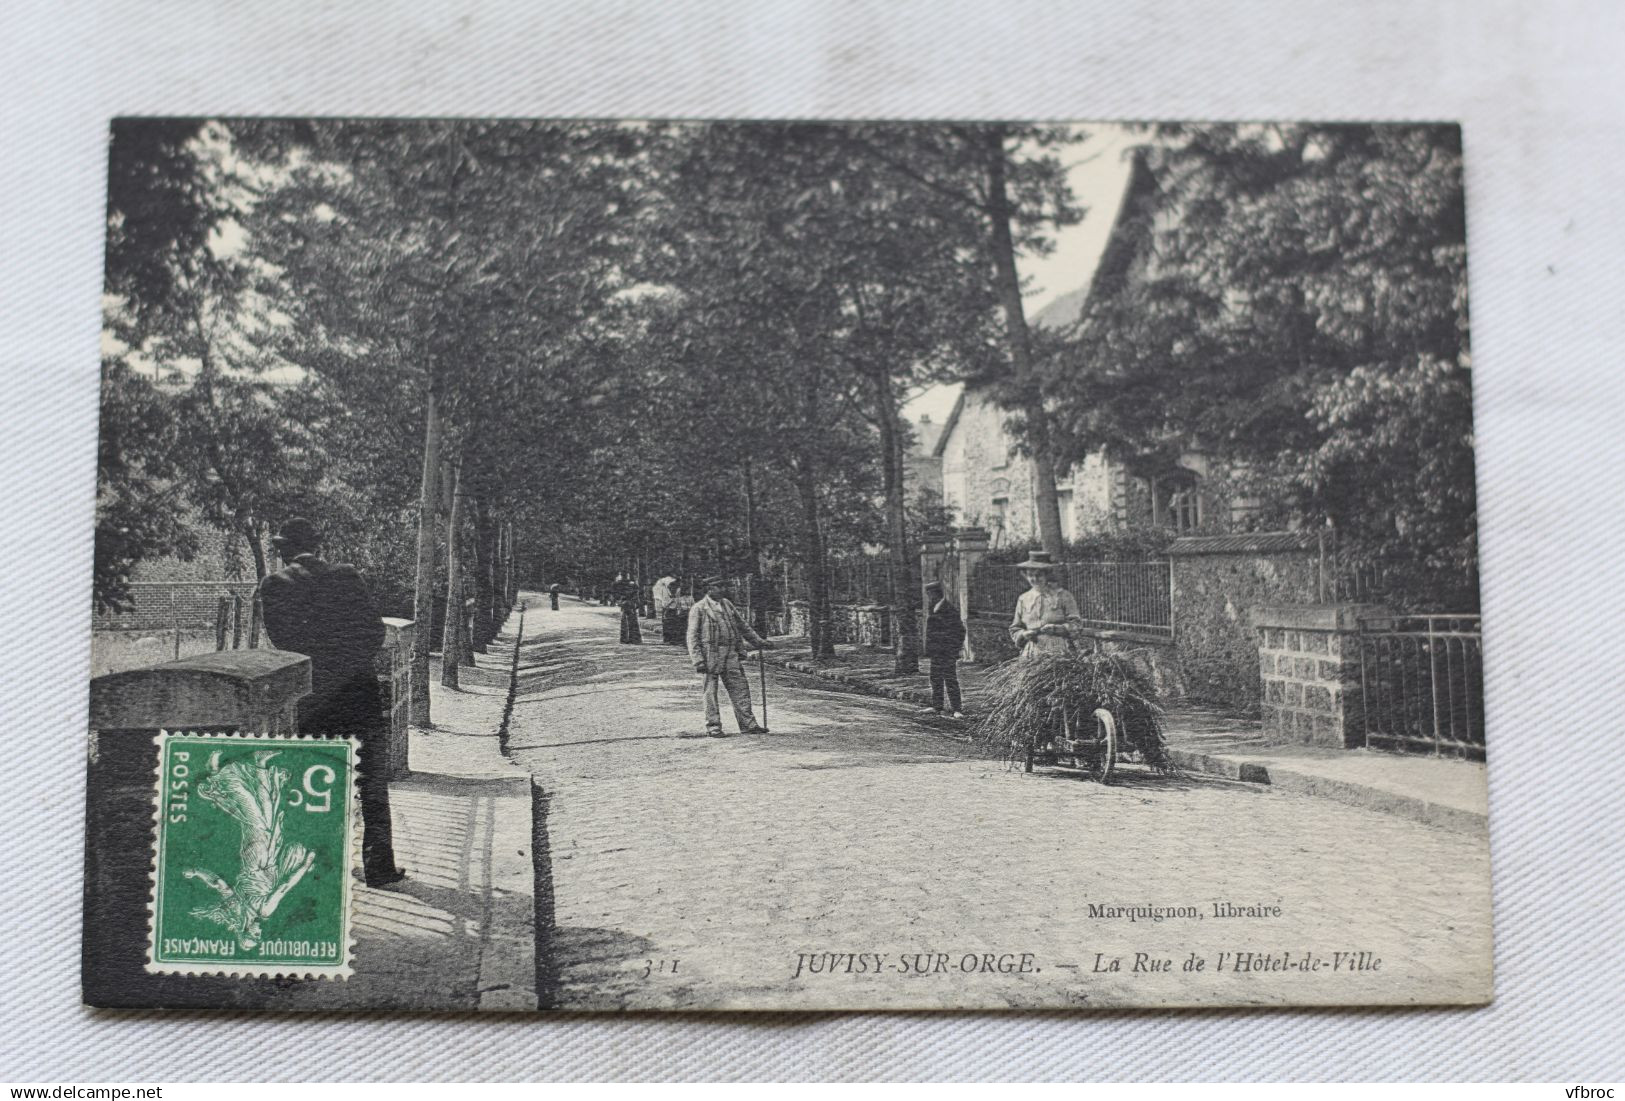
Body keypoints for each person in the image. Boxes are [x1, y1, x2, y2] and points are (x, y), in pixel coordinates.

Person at [255, 516, 403, 888]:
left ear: (281, 549)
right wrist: (348, 663)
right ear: (318, 545)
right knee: (370, 779)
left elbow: (281, 644)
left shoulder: (275, 585)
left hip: (311, 699)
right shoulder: (347, 577)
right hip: (358, 692)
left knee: (315, 780)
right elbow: (374, 633)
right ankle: (379, 867)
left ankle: (318, 869)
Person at [686, 576, 775, 737]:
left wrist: (758, 642)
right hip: (709, 656)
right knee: (710, 693)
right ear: (709, 589)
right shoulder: (699, 608)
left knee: (740, 689)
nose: (722, 590)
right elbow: (692, 636)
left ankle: (748, 724)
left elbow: (743, 626)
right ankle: (713, 727)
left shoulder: (727, 605)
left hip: (730, 654)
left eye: (723, 586)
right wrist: (698, 660)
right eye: (718, 587)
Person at [1008, 550, 1084, 658]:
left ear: (1047, 574)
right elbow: (1015, 628)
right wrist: (1024, 634)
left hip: (1059, 652)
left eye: (1039, 575)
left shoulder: (1063, 596)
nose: (1034, 579)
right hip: (1032, 654)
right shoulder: (1023, 599)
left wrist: (1057, 629)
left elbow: (1077, 625)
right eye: (1030, 575)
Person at [921, 579, 967, 719]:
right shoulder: (934, 607)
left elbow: (960, 631)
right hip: (936, 652)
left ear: (936, 594)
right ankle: (937, 706)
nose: (928, 597)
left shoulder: (948, 609)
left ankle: (956, 709)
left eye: (929, 594)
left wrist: (953, 649)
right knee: (935, 678)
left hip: (947, 652)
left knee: (950, 679)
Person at [613, 574, 642, 644]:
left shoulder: (619, 584)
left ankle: (624, 639)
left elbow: (616, 594)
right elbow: (636, 594)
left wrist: (619, 601)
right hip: (630, 603)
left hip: (625, 603)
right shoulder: (632, 584)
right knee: (632, 621)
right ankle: (634, 639)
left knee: (624, 621)